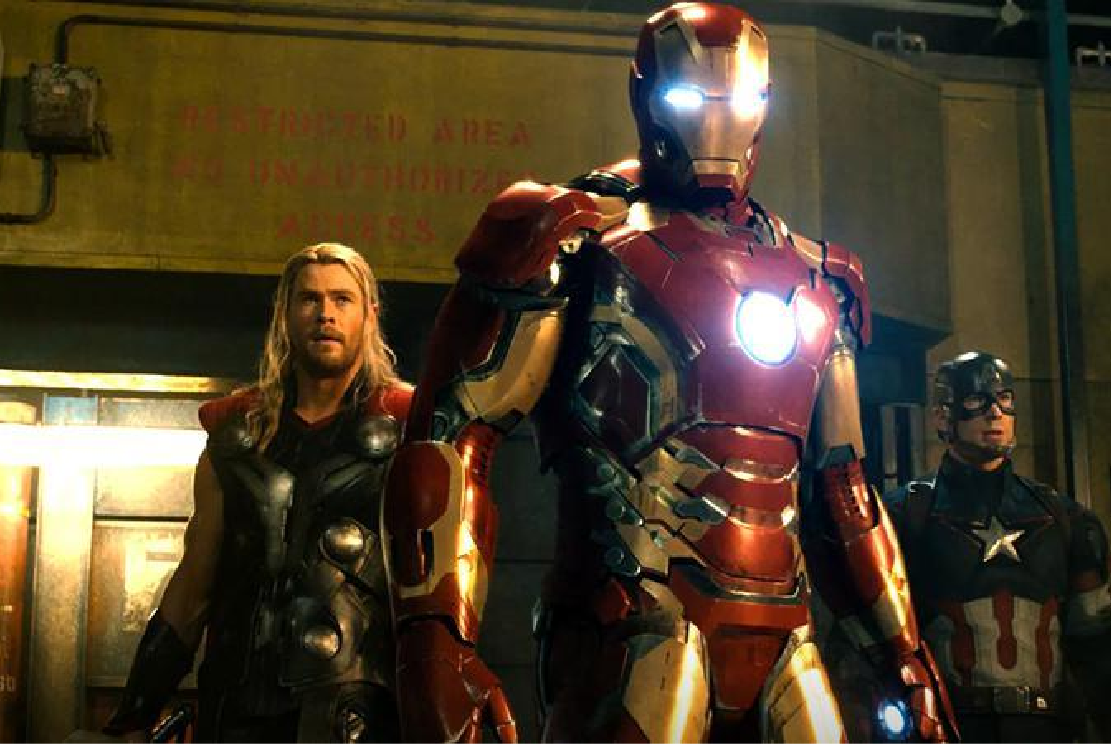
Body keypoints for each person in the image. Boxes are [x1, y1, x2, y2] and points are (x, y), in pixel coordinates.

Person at [380, 4, 956, 742]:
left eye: (743, 99)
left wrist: (904, 654)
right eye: (691, 98)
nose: (718, 123)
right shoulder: (574, 239)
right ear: (646, 95)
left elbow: (845, 492)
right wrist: (435, 638)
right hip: (633, 619)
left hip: (787, 634)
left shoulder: (818, 277)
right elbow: (455, 438)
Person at [90, 243, 414, 744]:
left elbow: (430, 594)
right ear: (285, 314)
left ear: (369, 316)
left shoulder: (409, 430)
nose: (325, 314)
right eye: (309, 299)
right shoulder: (236, 434)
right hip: (238, 706)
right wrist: (133, 715)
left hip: (356, 714)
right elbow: (192, 588)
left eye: (341, 299)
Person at [881, 351, 1111, 744]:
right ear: (942, 417)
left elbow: (1095, 641)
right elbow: (876, 641)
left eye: (1004, 399)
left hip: (1045, 729)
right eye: (976, 400)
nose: (994, 413)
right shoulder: (904, 515)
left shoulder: (1063, 517)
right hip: (946, 728)